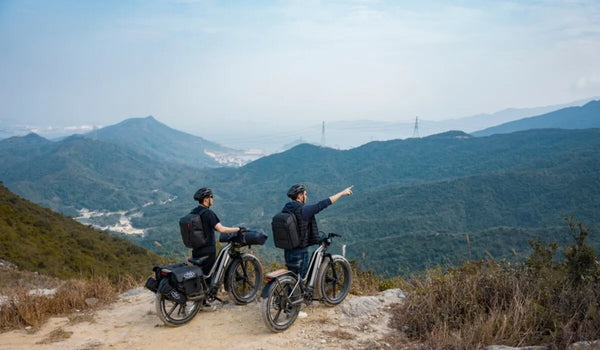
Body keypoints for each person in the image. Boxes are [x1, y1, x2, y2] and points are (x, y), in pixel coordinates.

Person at [281, 184, 353, 278]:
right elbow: (323, 204)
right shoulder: (304, 209)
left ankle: (289, 291)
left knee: (292, 278)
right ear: (299, 196)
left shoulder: (287, 208)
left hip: (288, 251)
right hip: (300, 252)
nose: (306, 197)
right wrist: (342, 193)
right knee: (300, 280)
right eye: (305, 194)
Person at [190, 188, 245, 276]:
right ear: (205, 200)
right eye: (211, 197)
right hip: (208, 250)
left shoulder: (194, 212)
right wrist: (238, 229)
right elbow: (221, 229)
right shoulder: (208, 213)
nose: (212, 199)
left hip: (196, 250)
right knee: (207, 276)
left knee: (200, 275)